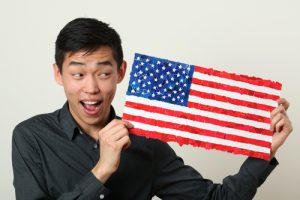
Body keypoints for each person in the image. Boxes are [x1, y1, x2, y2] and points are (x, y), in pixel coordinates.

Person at [12, 17, 293, 200]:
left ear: (121, 72)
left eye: (103, 73)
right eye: (78, 74)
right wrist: (102, 171)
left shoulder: (146, 142)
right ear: (58, 75)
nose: (91, 88)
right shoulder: (31, 137)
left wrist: (264, 151)